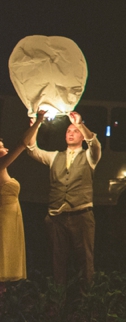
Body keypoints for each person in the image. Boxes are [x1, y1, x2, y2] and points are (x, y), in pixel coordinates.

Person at [26, 111, 102, 285]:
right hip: (56, 216)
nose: (70, 133)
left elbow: (95, 145)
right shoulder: (55, 157)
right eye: (68, 130)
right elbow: (32, 150)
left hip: (81, 214)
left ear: (82, 136)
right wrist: (35, 126)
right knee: (57, 260)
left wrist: (80, 123)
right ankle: (58, 299)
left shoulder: (89, 157)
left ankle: (86, 301)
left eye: (75, 131)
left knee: (85, 260)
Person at [0, 111, 46, 288]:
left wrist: (36, 126)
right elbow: (22, 144)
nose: (5, 149)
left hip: (11, 220)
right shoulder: (1, 166)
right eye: (1, 146)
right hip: (4, 221)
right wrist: (38, 122)